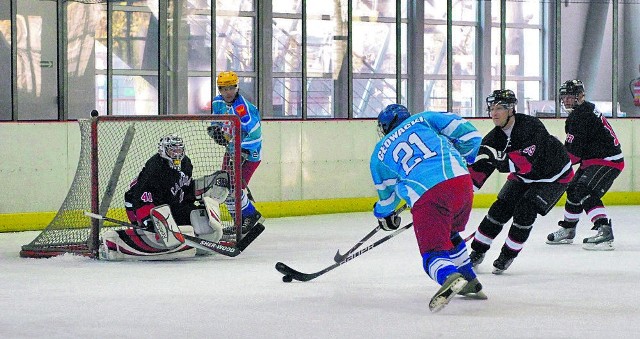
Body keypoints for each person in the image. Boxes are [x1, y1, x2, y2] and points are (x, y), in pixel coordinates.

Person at [370, 104, 485, 313]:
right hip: (462, 185)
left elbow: (387, 200)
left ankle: (448, 276)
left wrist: (384, 215)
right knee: (450, 234)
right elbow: (473, 137)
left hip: (429, 197)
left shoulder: (378, 154)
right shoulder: (426, 118)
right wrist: (462, 159)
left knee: (432, 252)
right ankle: (469, 280)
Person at [467, 89, 574, 274]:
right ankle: (477, 251)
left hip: (554, 176)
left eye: (499, 108)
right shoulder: (493, 138)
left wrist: (494, 156)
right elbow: (478, 174)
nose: (494, 113)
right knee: (498, 210)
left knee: (525, 211)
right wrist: (460, 190)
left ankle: (507, 255)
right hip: (524, 176)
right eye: (492, 107)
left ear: (511, 109)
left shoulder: (531, 126)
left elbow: (525, 163)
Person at [100, 134, 224, 260]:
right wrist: (148, 220)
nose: (177, 154)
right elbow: (141, 197)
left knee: (194, 214)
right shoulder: (155, 169)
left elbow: (185, 189)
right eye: (172, 150)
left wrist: (191, 205)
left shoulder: (186, 163)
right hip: (139, 205)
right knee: (153, 226)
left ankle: (201, 240)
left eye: (179, 150)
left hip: (169, 204)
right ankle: (146, 231)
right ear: (163, 150)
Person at [546, 80, 624, 250]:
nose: (566, 100)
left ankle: (604, 229)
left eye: (570, 96)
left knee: (583, 189)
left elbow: (573, 156)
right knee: (573, 189)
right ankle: (568, 228)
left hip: (608, 160)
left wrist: (551, 165)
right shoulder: (585, 109)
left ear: (580, 96)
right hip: (594, 159)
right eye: (564, 96)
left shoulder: (581, 116)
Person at [207, 71, 264, 239]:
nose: (228, 92)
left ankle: (251, 215)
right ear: (219, 89)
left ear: (236, 87)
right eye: (224, 89)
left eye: (231, 88)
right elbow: (216, 122)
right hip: (231, 151)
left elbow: (255, 133)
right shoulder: (217, 102)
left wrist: (243, 151)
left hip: (250, 155)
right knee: (223, 186)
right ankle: (239, 221)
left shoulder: (243, 108)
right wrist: (215, 131)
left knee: (234, 187)